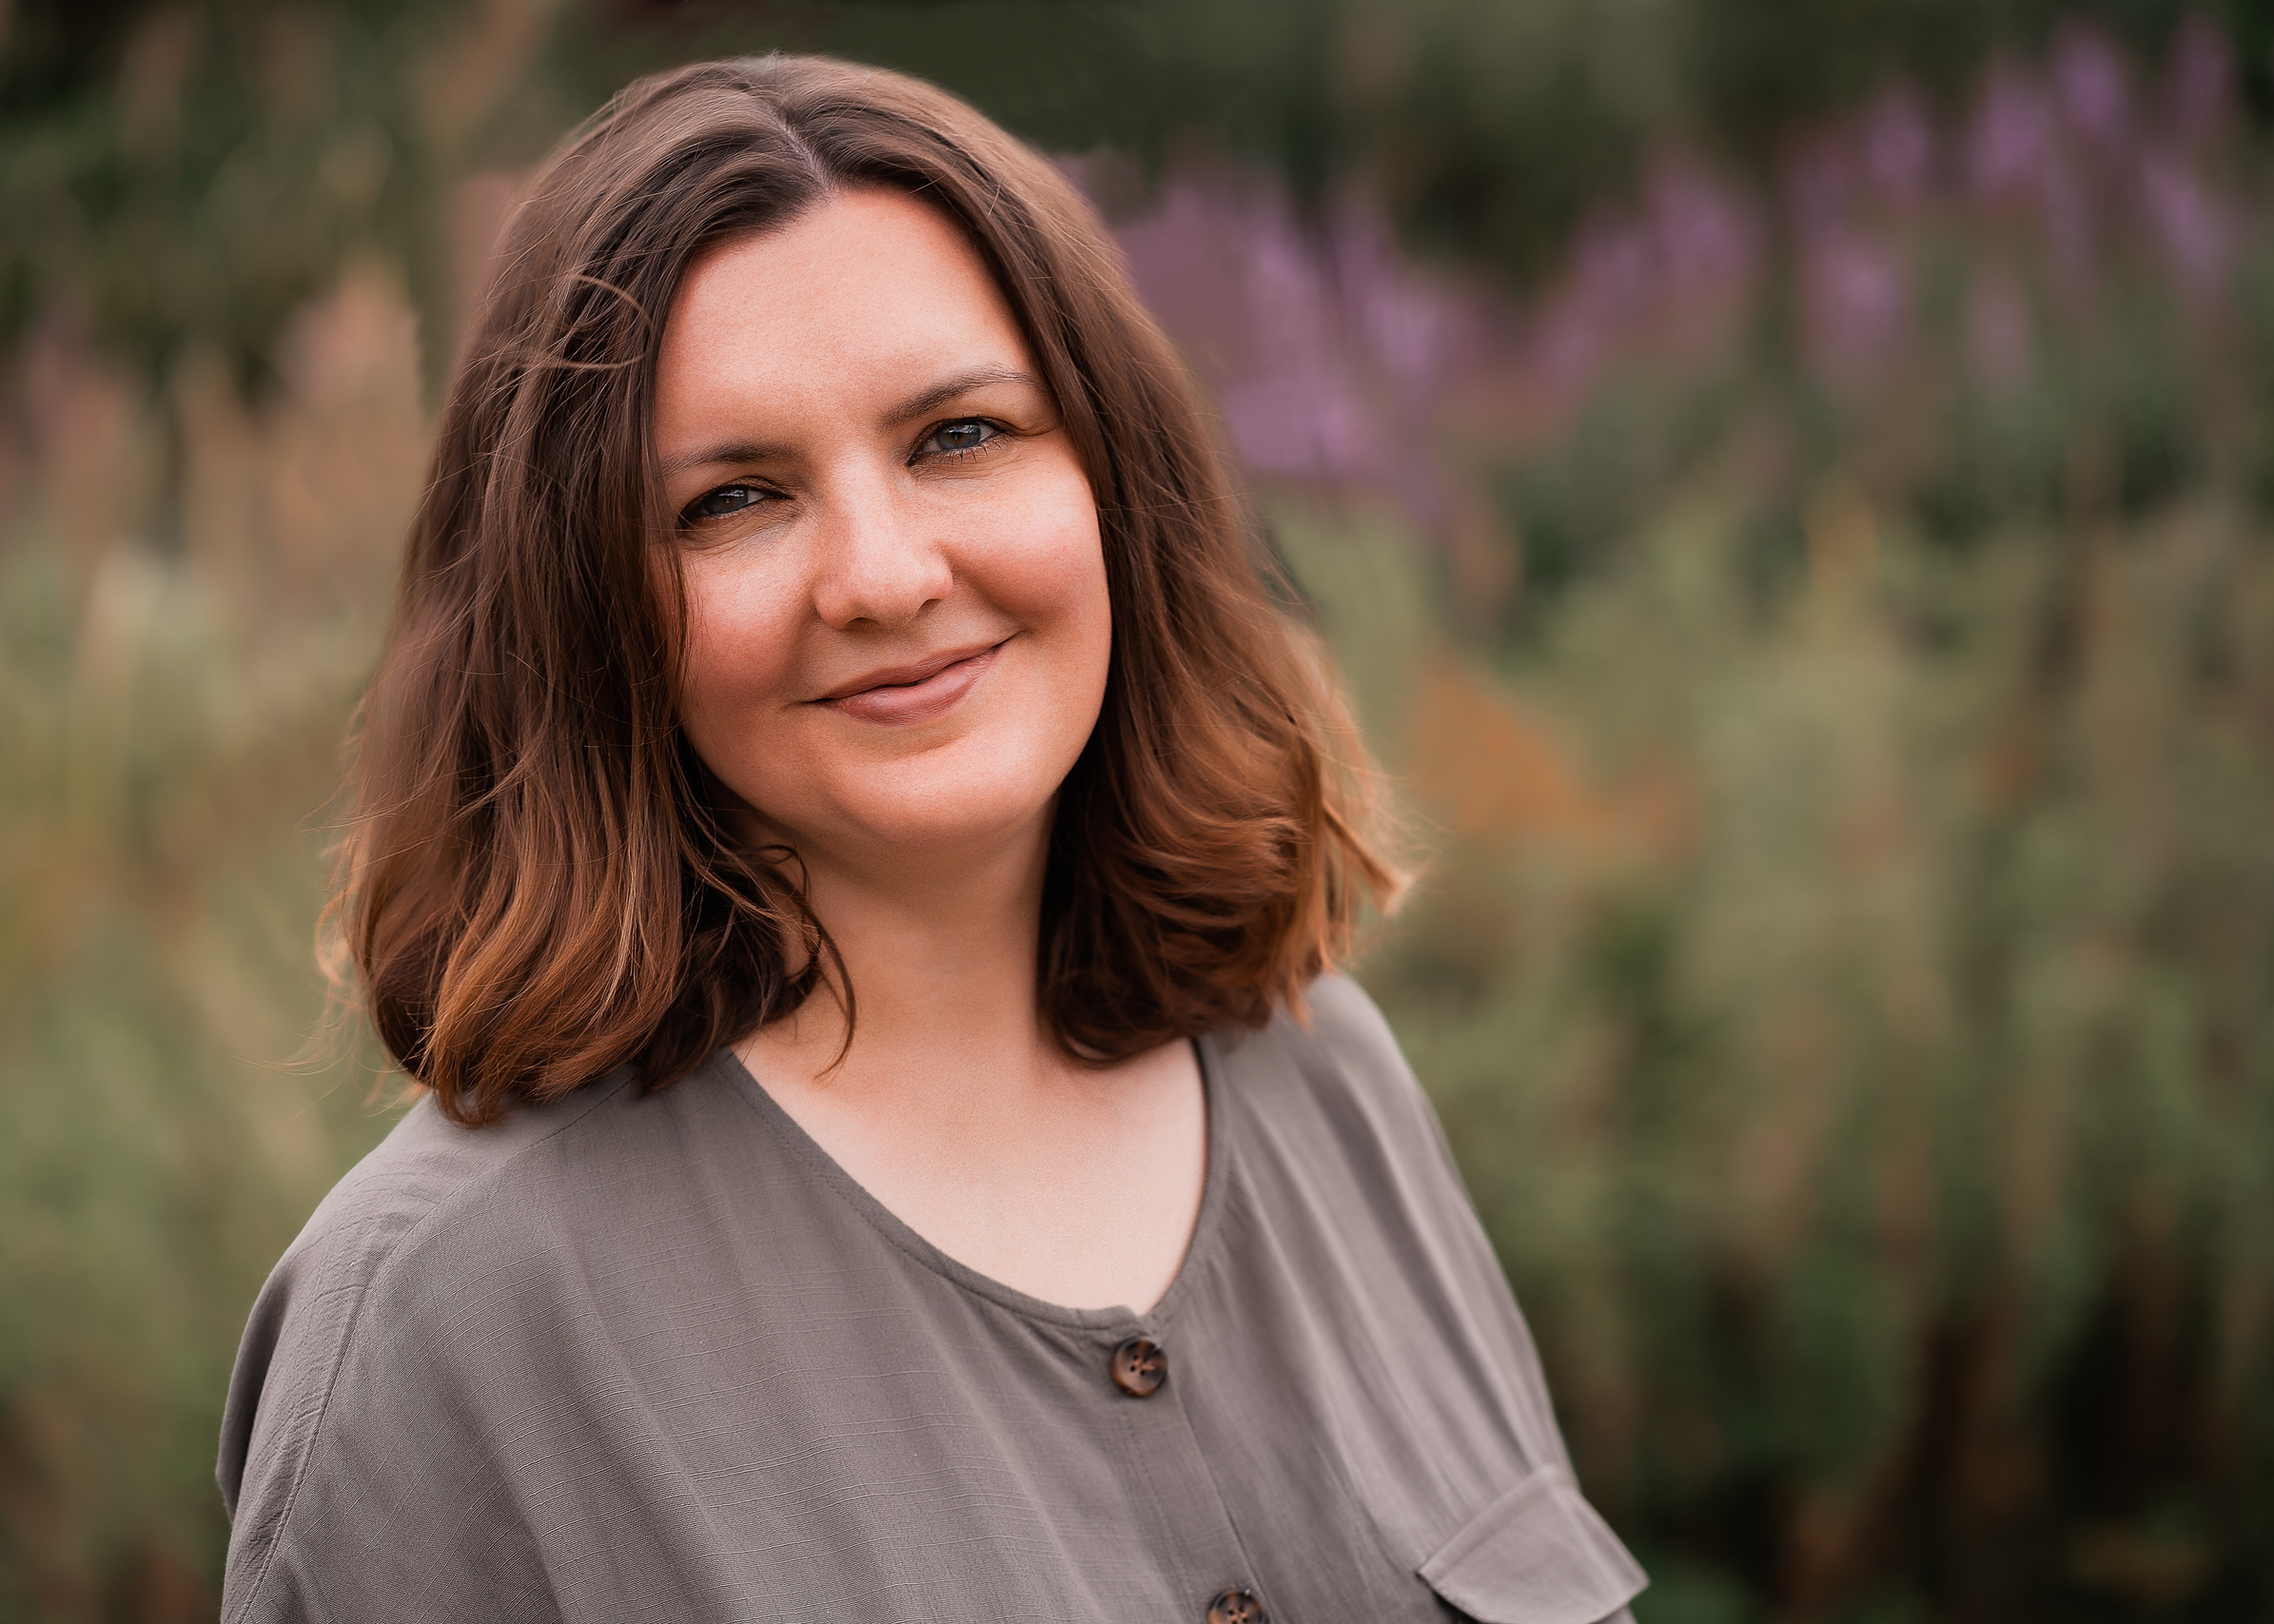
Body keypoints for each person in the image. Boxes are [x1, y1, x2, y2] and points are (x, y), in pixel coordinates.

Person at [216, 52, 1646, 1624]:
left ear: (1117, 483)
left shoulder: (1329, 1086)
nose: (885, 576)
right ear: (582, 615)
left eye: (960, 436)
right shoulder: (450, 1326)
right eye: (734, 500)